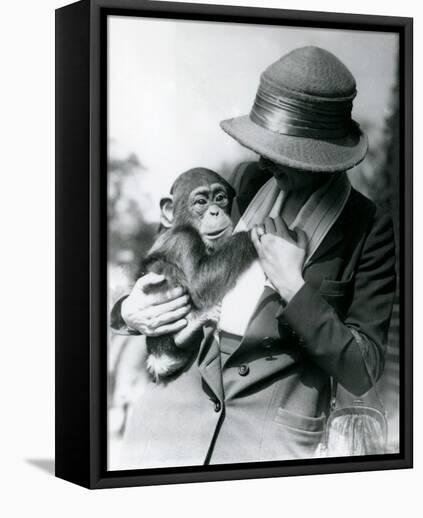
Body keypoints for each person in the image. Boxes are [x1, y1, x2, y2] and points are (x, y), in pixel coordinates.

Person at [110, 46, 396, 468]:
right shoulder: (246, 182)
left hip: (264, 446)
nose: (263, 157)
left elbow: (364, 368)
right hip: (167, 423)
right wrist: (126, 312)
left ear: (322, 156)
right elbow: (169, 262)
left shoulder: (367, 227)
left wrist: (293, 287)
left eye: (278, 150)